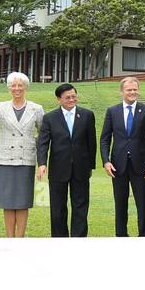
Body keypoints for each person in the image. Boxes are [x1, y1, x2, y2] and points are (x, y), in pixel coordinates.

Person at [0, 72, 45, 238]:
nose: (17, 88)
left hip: (26, 160)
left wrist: (38, 157)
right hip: (5, 160)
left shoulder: (36, 108)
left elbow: (43, 135)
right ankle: (9, 238)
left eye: (20, 85)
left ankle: (20, 238)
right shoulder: (1, 106)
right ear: (8, 88)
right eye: (13, 85)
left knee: (23, 202)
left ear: (25, 87)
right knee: (7, 202)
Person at [100, 76, 145, 237]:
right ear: (122, 92)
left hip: (141, 166)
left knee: (142, 203)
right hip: (117, 166)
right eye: (129, 90)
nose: (133, 92)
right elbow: (105, 139)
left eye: (135, 89)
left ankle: (144, 236)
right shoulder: (112, 111)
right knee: (120, 203)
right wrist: (106, 161)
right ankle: (121, 236)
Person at [37, 82, 97, 237]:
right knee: (58, 208)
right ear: (59, 99)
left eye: (73, 96)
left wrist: (91, 165)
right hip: (58, 169)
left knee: (80, 206)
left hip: (81, 169)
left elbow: (92, 142)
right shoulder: (50, 118)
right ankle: (59, 239)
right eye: (67, 97)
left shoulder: (87, 115)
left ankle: (78, 238)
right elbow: (43, 143)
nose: (71, 99)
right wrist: (42, 163)